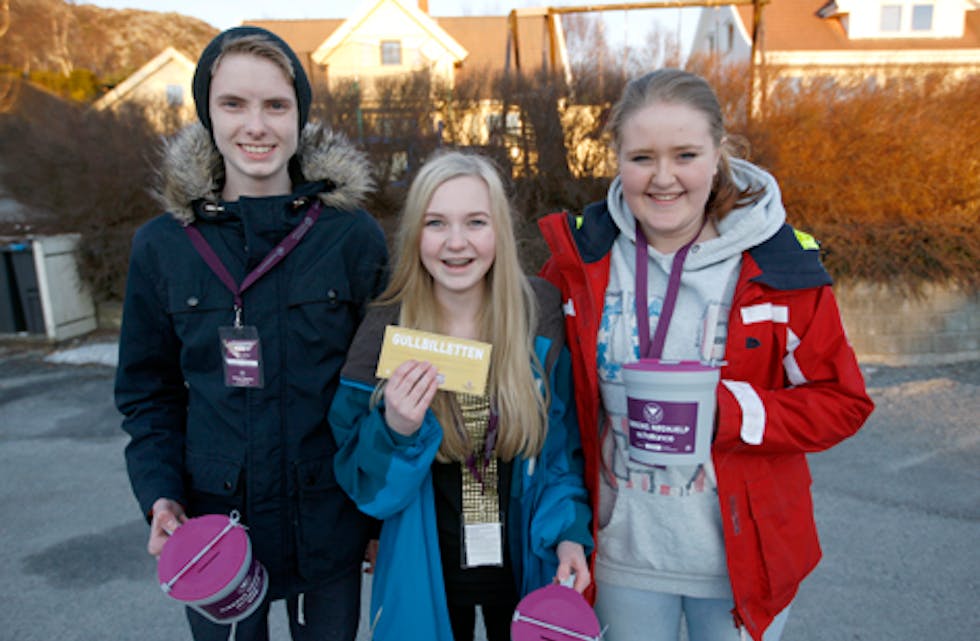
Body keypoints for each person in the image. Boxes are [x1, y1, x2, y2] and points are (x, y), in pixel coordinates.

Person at [537, 69, 874, 641]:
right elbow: (550, 411)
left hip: (740, 564)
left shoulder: (781, 271)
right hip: (623, 557)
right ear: (616, 157)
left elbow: (843, 402)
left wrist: (733, 413)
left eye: (686, 154)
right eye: (642, 157)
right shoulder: (579, 264)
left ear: (718, 153)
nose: (663, 178)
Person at [114, 26, 388, 641]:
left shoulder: (352, 237)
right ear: (207, 114)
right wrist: (159, 495)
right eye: (233, 104)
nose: (256, 126)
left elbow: (382, 388)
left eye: (276, 105)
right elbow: (148, 393)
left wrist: (378, 518)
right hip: (213, 529)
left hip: (327, 525)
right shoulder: (162, 246)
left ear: (301, 115)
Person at [328, 151, 593, 641]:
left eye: (475, 222)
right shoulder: (385, 329)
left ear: (500, 233)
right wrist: (395, 433)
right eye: (436, 223)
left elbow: (561, 458)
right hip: (427, 577)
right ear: (414, 236)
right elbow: (362, 485)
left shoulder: (539, 319)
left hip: (524, 569)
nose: (456, 243)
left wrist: (568, 537)